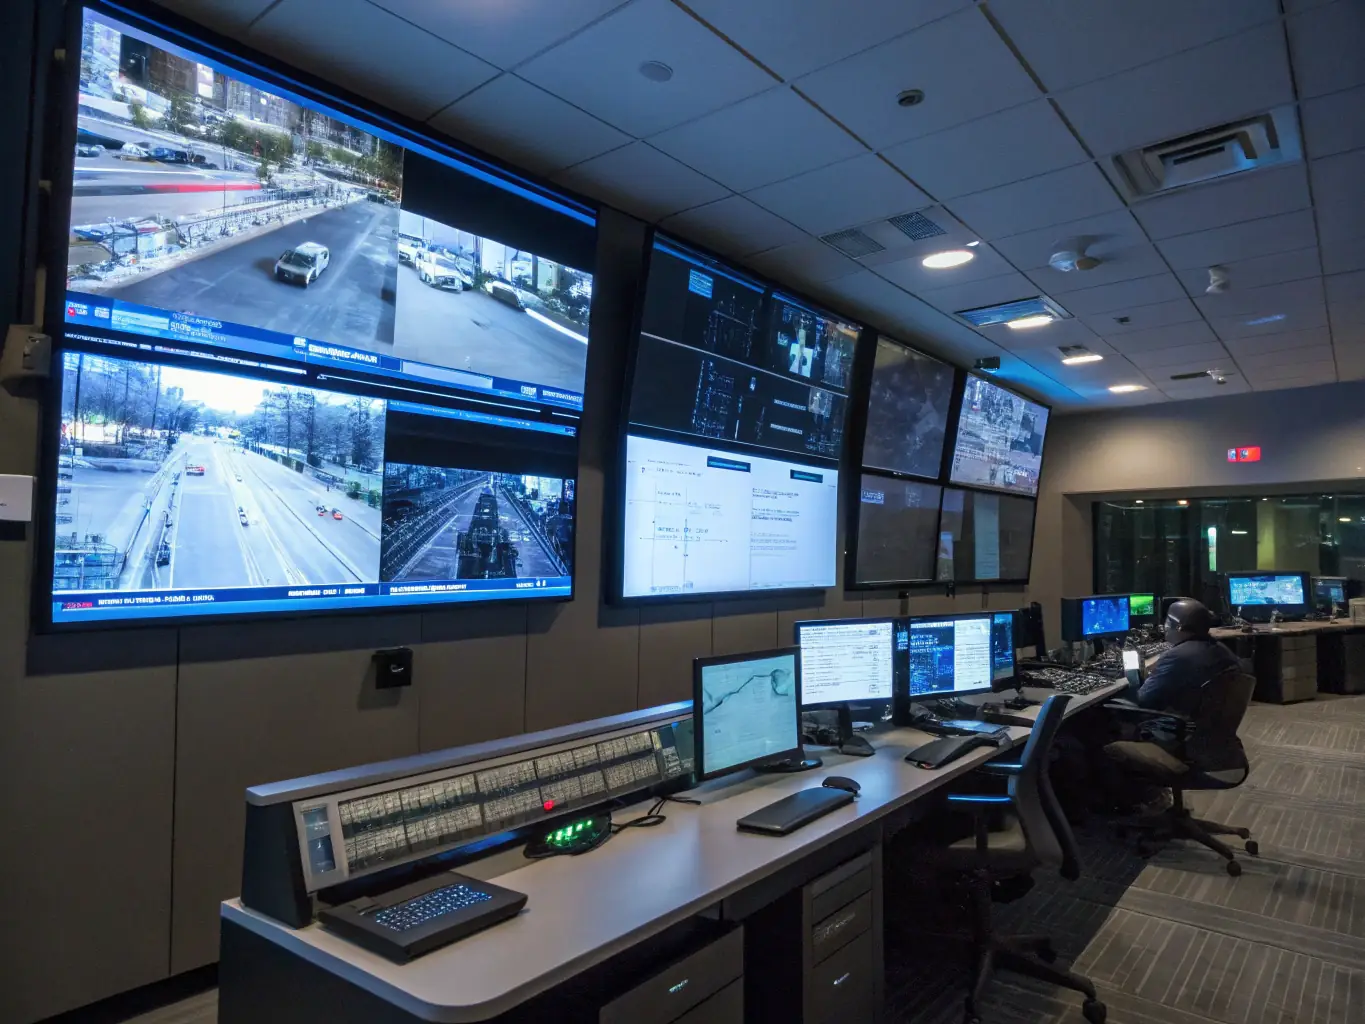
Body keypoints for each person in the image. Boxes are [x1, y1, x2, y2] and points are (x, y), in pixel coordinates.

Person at [1127, 598, 1240, 715]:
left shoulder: (1175, 657)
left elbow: (1143, 698)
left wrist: (1132, 675)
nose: (1164, 627)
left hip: (1175, 724)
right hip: (1210, 723)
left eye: (1168, 622)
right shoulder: (1223, 649)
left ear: (1178, 627)